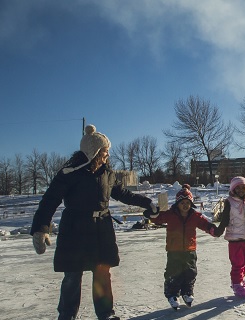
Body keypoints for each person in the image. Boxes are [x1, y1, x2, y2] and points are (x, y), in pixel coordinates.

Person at [31, 124, 157, 320]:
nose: (107, 155)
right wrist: (41, 228)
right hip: (75, 229)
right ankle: (66, 316)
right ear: (94, 152)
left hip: (101, 230)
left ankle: (106, 314)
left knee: (102, 275)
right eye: (105, 151)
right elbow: (50, 200)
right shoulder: (69, 173)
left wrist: (147, 203)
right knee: (73, 276)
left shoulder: (107, 173)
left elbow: (123, 194)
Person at [145, 184, 216, 309]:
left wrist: (212, 229)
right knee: (174, 273)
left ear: (191, 204)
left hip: (190, 250)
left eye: (187, 203)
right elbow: (159, 218)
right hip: (174, 251)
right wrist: (151, 214)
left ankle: (187, 292)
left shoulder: (195, 216)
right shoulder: (171, 214)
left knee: (190, 272)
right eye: (182, 202)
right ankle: (172, 294)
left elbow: (204, 224)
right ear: (177, 203)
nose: (185, 205)